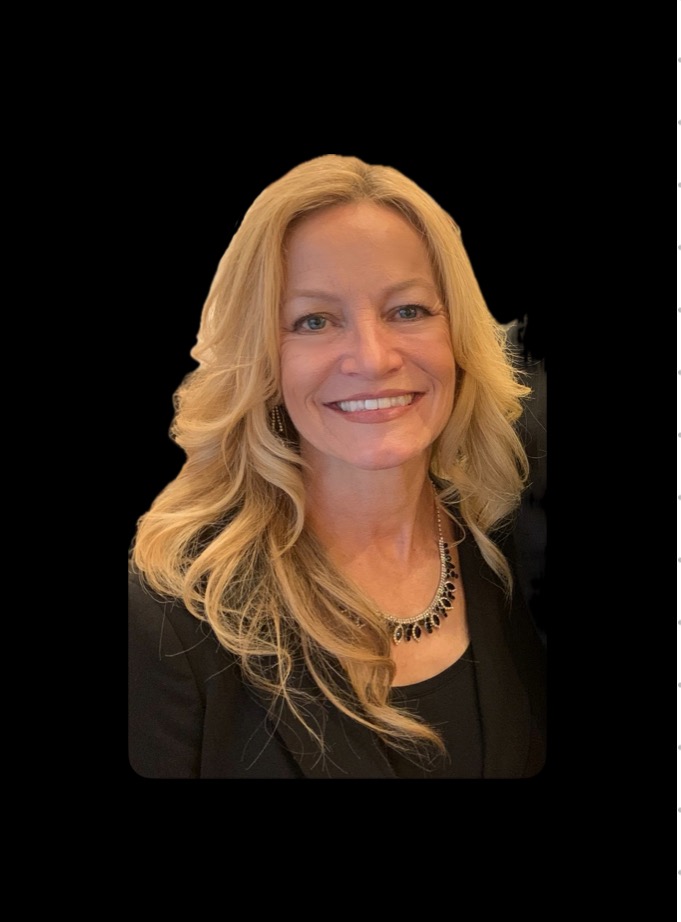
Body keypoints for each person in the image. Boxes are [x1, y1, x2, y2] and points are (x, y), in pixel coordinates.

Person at [128, 154, 546, 779]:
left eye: (408, 310)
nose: (372, 359)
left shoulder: (508, 543)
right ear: (263, 362)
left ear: (458, 337)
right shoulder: (169, 612)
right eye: (314, 320)